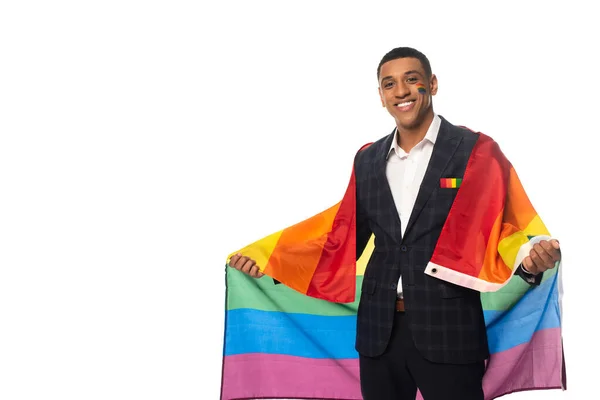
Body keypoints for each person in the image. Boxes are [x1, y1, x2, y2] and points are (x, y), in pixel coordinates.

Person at [227, 47, 562, 400]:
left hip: (449, 330)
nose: (400, 91)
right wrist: (269, 260)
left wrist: (529, 256)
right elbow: (343, 237)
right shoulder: (368, 159)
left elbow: (503, 222)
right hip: (378, 333)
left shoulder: (474, 150)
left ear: (431, 84)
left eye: (411, 80)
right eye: (389, 84)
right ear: (381, 96)